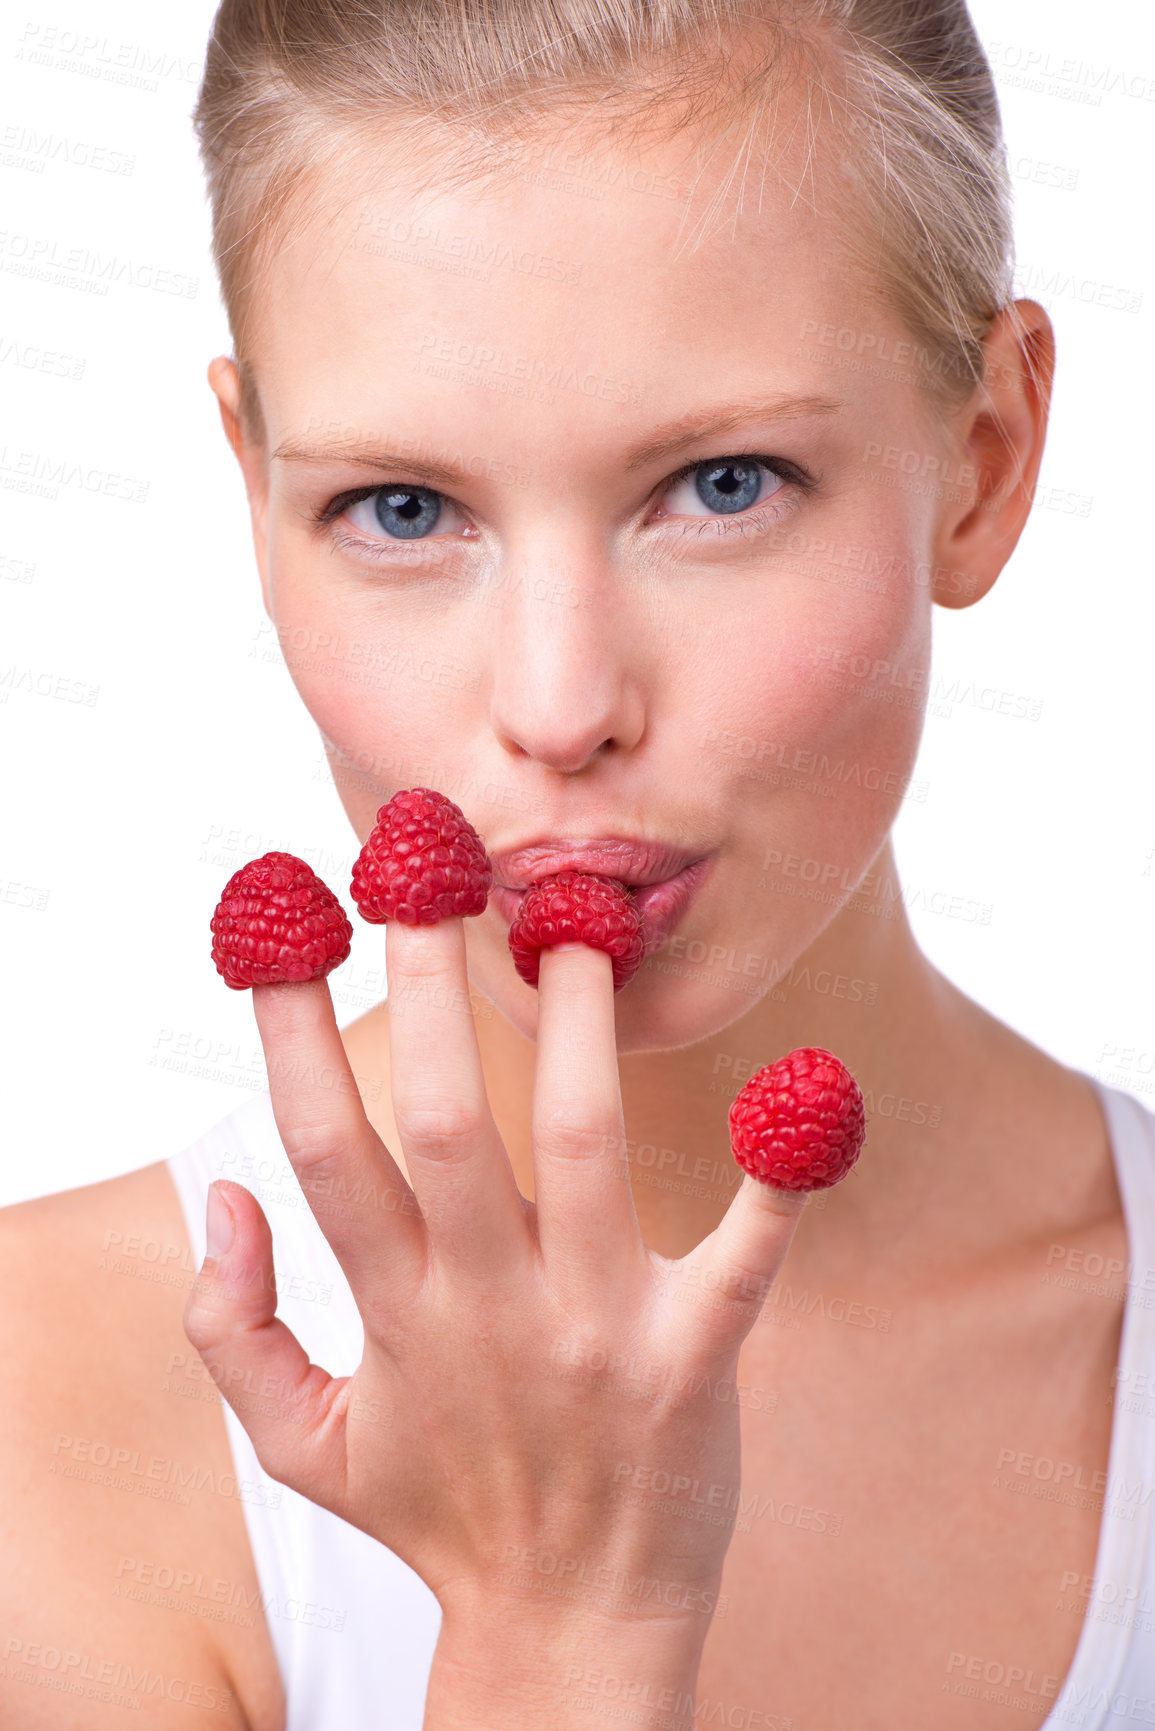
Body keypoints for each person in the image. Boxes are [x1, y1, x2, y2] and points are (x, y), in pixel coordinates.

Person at [3, 1, 1152, 1726]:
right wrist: (567, 1622)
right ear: (253, 497)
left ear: (983, 462)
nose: (559, 708)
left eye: (723, 483)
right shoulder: (39, 1413)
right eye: (402, 510)